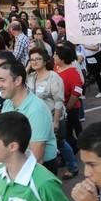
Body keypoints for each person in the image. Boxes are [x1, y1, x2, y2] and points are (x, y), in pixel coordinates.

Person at [0, 61, 60, 174]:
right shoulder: (8, 103)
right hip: (18, 166)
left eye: (2, 80)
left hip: (36, 172)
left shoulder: (36, 110)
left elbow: (37, 158)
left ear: (18, 81)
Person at [27, 48, 79, 179]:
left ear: (45, 61)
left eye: (37, 59)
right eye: (32, 59)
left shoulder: (53, 77)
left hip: (53, 117)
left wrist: (56, 121)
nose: (34, 62)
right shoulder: (31, 77)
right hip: (38, 119)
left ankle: (73, 166)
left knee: (60, 142)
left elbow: (58, 102)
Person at [54, 44, 84, 153]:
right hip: (59, 108)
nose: (53, 57)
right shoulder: (55, 68)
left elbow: (76, 93)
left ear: (61, 58)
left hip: (70, 109)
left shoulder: (73, 73)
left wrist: (67, 108)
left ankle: (73, 150)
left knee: (67, 132)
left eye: (55, 55)